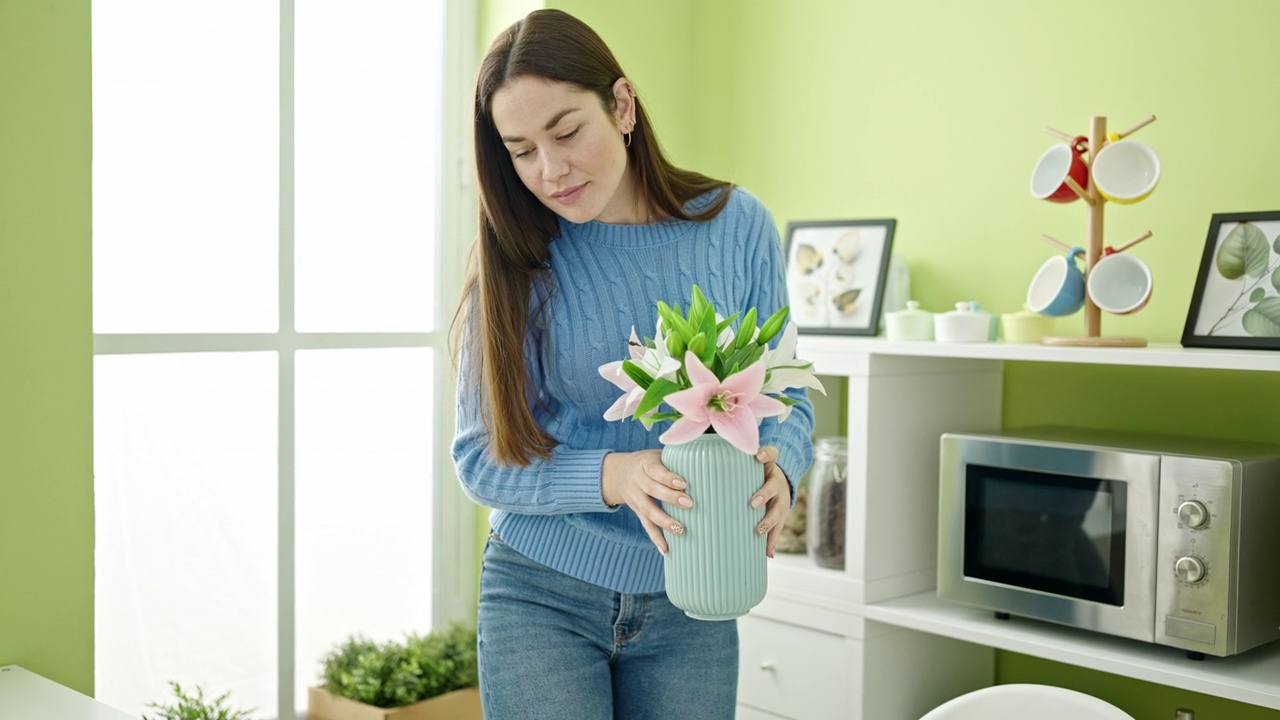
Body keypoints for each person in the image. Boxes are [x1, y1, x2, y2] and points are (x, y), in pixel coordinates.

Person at [451, 9, 815, 719]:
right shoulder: (515, 259)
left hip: (696, 591)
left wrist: (785, 468)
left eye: (566, 133)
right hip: (541, 593)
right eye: (522, 150)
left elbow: (787, 394)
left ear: (621, 106)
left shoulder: (736, 226)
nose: (550, 171)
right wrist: (615, 475)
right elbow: (478, 458)